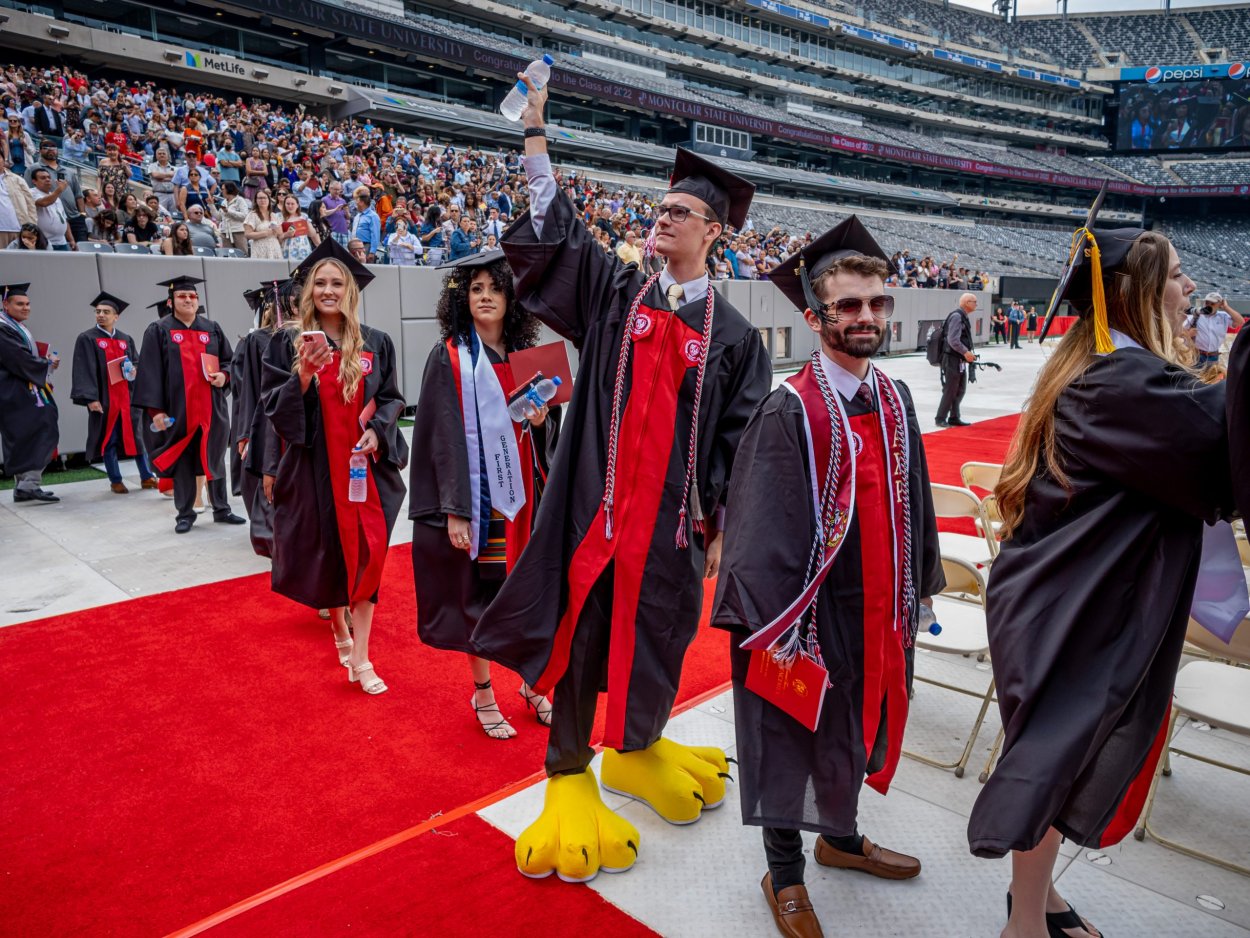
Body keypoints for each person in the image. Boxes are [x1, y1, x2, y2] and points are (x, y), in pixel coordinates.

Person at [471, 77, 772, 882]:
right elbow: (559, 237)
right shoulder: (615, 292)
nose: (662, 216)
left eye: (680, 212)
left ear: (714, 232)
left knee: (656, 644)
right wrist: (536, 136)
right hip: (591, 517)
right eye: (661, 207)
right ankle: (568, 774)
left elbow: (741, 446)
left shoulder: (736, 336)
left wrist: (718, 531)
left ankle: (635, 747)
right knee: (575, 641)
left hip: (669, 528)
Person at [967, 228, 1250, 938]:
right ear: (1137, 293)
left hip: (1069, 597)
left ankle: (1040, 904)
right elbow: (1218, 447)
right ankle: (1023, 925)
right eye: (1178, 277)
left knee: (1066, 750)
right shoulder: (1117, 383)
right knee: (1055, 756)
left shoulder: (1103, 370)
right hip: (1074, 607)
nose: (1191, 290)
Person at [713, 218, 944, 938]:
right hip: (811, 619)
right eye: (849, 306)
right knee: (794, 737)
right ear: (815, 318)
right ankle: (783, 875)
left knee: (857, 729)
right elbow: (757, 530)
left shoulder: (897, 398)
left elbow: (917, 501)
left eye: (876, 303)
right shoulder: (790, 410)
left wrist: (924, 582)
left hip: (879, 609)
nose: (867, 317)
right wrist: (775, 635)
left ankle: (839, 840)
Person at [411, 250, 560, 737]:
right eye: (476, 289)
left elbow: (544, 432)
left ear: (510, 297)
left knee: (525, 595)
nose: (486, 297)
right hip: (480, 501)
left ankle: (531, 684)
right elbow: (441, 436)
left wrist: (542, 421)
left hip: (524, 500)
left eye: (494, 288)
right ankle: (483, 693)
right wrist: (456, 510)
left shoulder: (525, 359)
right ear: (463, 298)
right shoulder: (450, 356)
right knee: (481, 597)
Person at [263, 240, 408, 692]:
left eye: (337, 282)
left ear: (351, 291)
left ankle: (361, 659)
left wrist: (379, 431)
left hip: (366, 469)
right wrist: (303, 374)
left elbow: (391, 399)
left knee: (369, 555)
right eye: (320, 283)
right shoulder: (287, 343)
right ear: (309, 291)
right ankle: (339, 627)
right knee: (331, 557)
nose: (329, 290)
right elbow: (272, 407)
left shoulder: (377, 342)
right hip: (317, 471)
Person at [132, 276, 245, 533]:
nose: (188, 300)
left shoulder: (211, 328)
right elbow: (150, 373)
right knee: (184, 460)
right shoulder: (159, 330)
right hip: (178, 410)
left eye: (192, 297)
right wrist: (156, 411)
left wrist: (223, 376)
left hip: (211, 409)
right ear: (171, 302)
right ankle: (185, 514)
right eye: (182, 297)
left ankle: (222, 509)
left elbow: (229, 362)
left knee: (214, 457)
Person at [69, 292, 156, 493]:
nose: (101, 315)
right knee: (110, 439)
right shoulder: (87, 338)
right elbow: (83, 369)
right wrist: (91, 399)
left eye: (106, 312)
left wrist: (134, 369)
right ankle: (115, 479)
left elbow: (136, 361)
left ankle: (146, 477)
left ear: (116, 316)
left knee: (137, 438)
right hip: (105, 399)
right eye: (98, 311)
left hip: (128, 399)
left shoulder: (126, 339)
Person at [232, 279, 292, 559]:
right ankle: (273, 537)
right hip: (265, 419)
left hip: (295, 420)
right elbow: (248, 390)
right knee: (266, 481)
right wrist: (246, 433)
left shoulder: (308, 335)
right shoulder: (258, 339)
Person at [0, 283, 60, 503]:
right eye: (20, 304)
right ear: (5, 304)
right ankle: (28, 484)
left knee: (25, 435)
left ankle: (24, 486)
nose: (26, 308)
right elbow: (18, 358)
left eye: (27, 304)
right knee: (40, 429)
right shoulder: (2, 327)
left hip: (18, 390)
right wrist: (45, 364)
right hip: (15, 391)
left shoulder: (13, 326)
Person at [935, 292, 977, 428]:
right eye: (974, 302)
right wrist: (966, 352)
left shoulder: (962, 316)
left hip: (958, 359)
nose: (976, 304)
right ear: (966, 303)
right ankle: (940, 418)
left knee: (960, 389)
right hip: (951, 358)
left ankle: (954, 417)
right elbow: (953, 340)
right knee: (950, 389)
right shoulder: (957, 317)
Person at [1186, 292, 1244, 368]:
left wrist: (1226, 307)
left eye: (1212, 304)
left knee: (1212, 379)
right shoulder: (1196, 315)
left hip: (1214, 356)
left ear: (1219, 305)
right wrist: (1188, 334)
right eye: (1207, 303)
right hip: (1197, 355)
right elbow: (1179, 331)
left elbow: (1241, 322)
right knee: (1194, 378)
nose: (1209, 306)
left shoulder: (1223, 316)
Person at [31, 167, 75, 251]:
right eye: (43, 178)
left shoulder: (56, 197)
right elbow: (44, 203)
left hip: (62, 241)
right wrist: (59, 190)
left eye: (49, 177)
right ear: (34, 181)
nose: (47, 180)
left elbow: (64, 219)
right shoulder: (32, 192)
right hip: (43, 242)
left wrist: (71, 239)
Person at [0, 151, 37, 249]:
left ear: (4, 160)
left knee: (19, 262)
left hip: (19, 230)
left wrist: (32, 226)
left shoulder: (17, 179)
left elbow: (30, 204)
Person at [279, 192, 319, 262]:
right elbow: (278, 237)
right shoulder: (279, 217)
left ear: (297, 205)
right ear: (284, 205)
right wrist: (286, 234)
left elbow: (312, 234)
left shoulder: (304, 216)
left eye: (292, 204)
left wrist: (307, 223)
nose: (290, 206)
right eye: (288, 204)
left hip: (302, 247)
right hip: (287, 247)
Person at [244, 189, 283, 260]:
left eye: (265, 198)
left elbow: (280, 234)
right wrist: (265, 233)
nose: (262, 200)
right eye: (260, 198)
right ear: (256, 200)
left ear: (269, 199)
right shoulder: (252, 215)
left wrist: (277, 229)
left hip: (274, 247)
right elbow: (247, 234)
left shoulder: (274, 215)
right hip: (259, 248)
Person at [218, 181, 250, 253]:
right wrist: (211, 205)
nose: (221, 191)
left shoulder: (240, 200)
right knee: (228, 256)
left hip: (238, 232)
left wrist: (228, 211)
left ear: (229, 189)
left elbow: (244, 216)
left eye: (223, 189)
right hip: (225, 233)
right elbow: (219, 218)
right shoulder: (224, 202)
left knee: (242, 254)